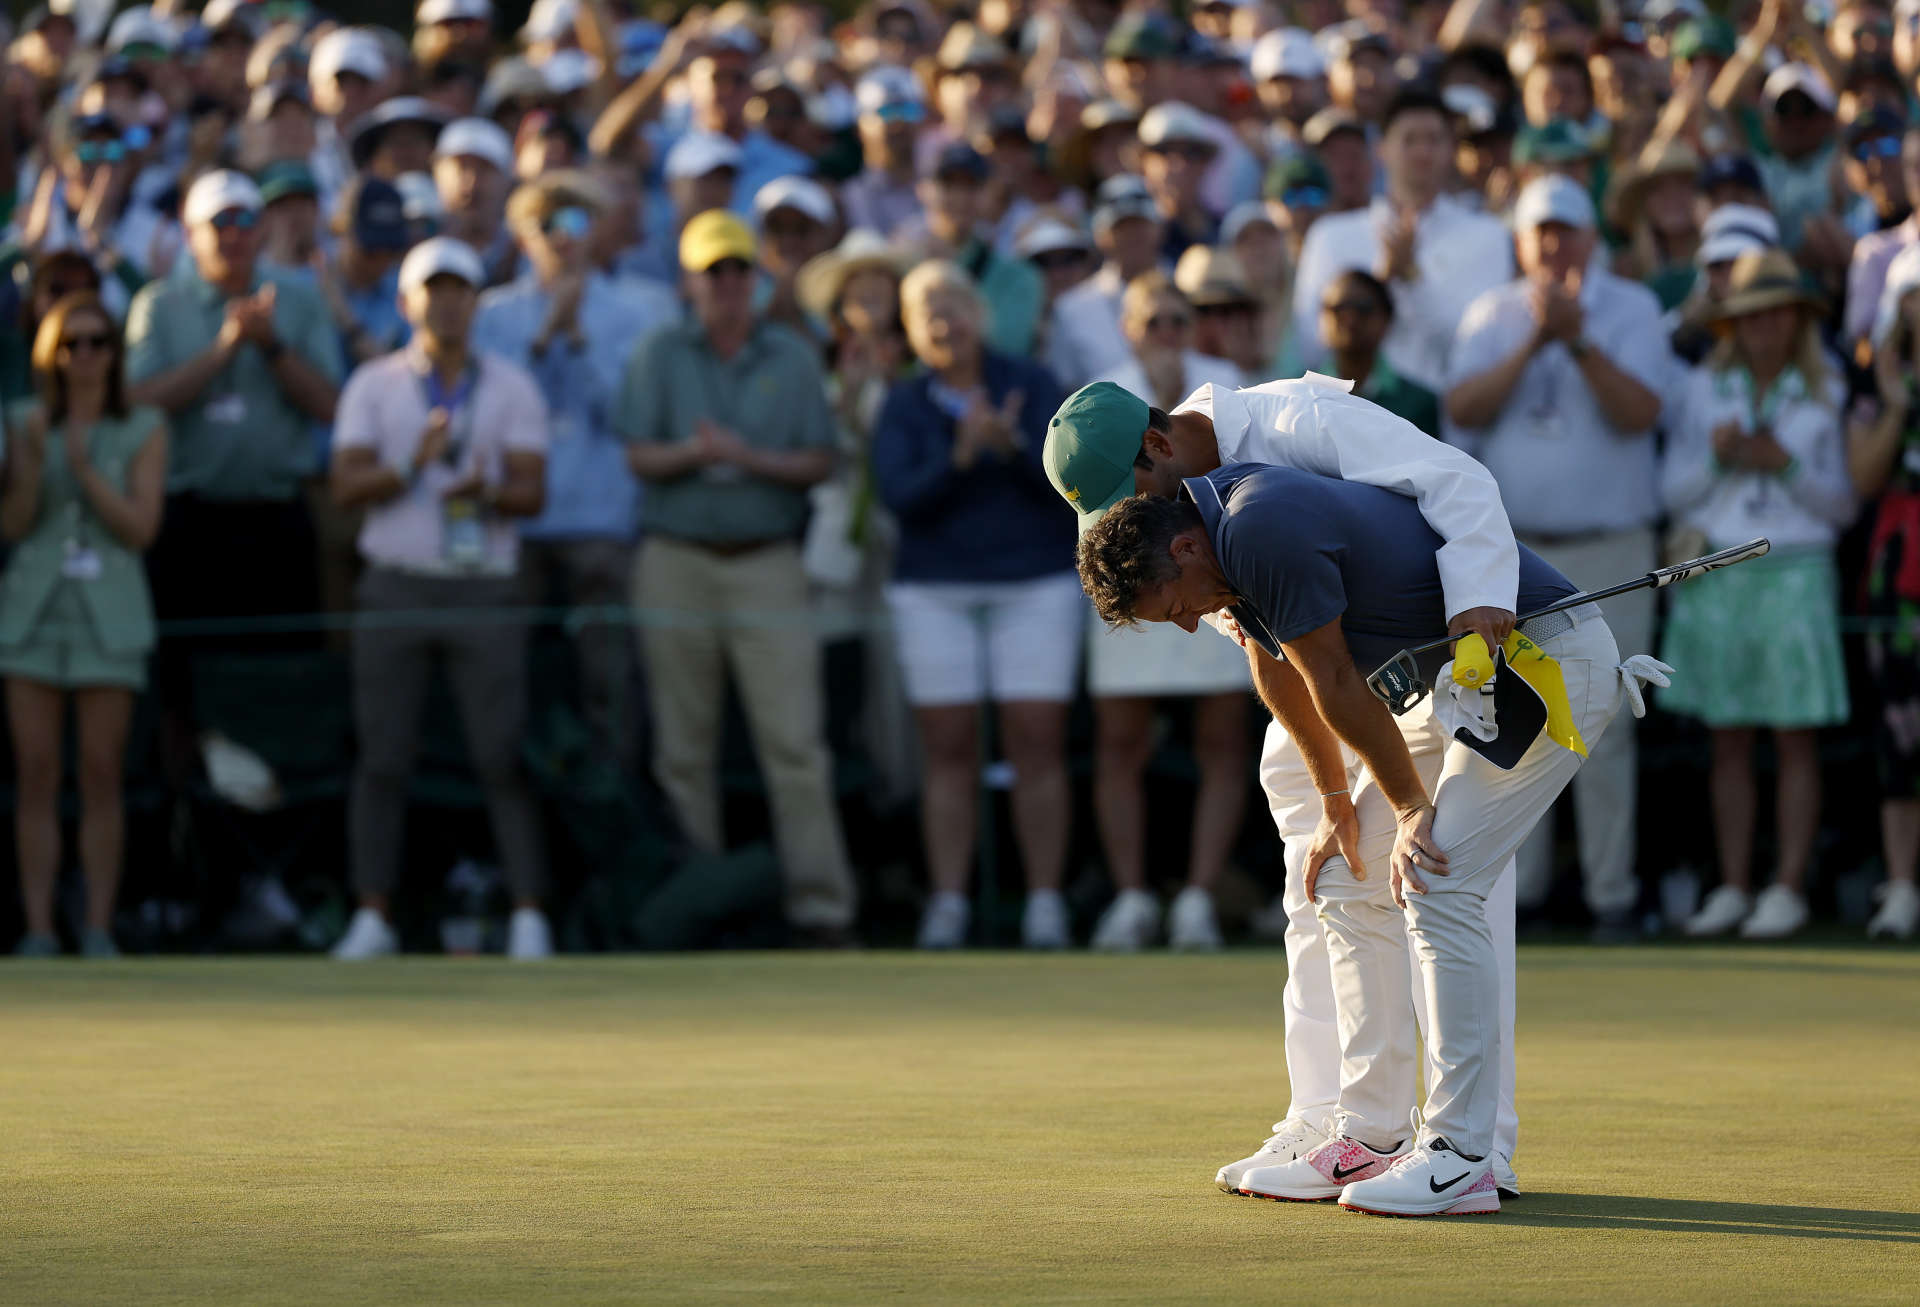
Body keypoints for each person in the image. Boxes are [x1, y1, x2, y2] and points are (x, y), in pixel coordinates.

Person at [1073, 457, 1623, 1217]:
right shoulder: (1227, 550)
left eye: (1172, 607)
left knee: (1439, 876)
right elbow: (1282, 673)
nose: (1188, 620)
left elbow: (1333, 679)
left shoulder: (1260, 526)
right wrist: (1340, 802)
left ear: (1184, 551)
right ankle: (1371, 1136)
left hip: (1544, 660)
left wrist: (1407, 809)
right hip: (1457, 682)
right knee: (1346, 875)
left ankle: (1465, 1155)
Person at [1042, 372, 1528, 1200]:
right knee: (1321, 876)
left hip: (1445, 661)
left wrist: (1479, 602)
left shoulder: (1298, 419)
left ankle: (1478, 1142)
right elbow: (1273, 653)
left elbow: (1459, 480)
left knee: (1448, 884)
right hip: (1337, 679)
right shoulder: (1180, 518)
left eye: (1126, 498)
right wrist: (1335, 794)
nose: (1125, 525)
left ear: (1159, 447)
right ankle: (1339, 1119)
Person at [617, 210, 859, 948]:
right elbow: (638, 453)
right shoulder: (661, 350)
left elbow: (819, 459)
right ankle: (701, 903)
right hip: (676, 558)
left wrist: (746, 459)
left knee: (794, 746)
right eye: (713, 271)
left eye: (738, 270)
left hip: (765, 559)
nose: (727, 283)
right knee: (682, 751)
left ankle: (822, 909)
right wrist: (697, 455)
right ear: (690, 280)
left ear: (755, 278)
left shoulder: (788, 355)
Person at [1444, 176, 1671, 939]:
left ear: (1591, 239)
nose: (1552, 244)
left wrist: (1575, 340)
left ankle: (1610, 895)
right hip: (1516, 552)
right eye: (1540, 231)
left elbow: (1640, 413)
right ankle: (1521, 897)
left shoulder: (1632, 309)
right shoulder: (1491, 313)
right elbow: (1463, 411)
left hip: (1612, 546)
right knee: (1518, 721)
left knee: (1606, 724)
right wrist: (1535, 340)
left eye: (1566, 230)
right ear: (1520, 240)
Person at [327, 237, 553, 962]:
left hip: (484, 587)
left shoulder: (511, 384)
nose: (447, 302)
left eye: (460, 288)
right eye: (433, 289)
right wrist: (409, 464)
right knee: (383, 755)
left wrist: (486, 490)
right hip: (395, 584)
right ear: (407, 302)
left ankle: (528, 913)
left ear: (475, 301)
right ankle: (372, 915)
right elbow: (348, 486)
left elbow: (532, 490)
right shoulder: (373, 385)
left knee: (501, 754)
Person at [871, 261, 1075, 949]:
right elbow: (899, 497)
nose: (943, 320)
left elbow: (1068, 484)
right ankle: (949, 903)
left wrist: (1012, 447)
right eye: (926, 307)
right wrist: (959, 457)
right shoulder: (904, 402)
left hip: (1034, 583)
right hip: (934, 589)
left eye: (953, 302)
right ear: (910, 326)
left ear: (978, 312)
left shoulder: (1030, 382)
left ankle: (1045, 903)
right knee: (948, 748)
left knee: (1035, 742)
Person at [1662, 250, 1853, 941]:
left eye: (1776, 310)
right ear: (1732, 322)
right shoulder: (1703, 389)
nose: (1765, 324)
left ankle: (1788, 886)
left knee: (1795, 737)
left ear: (1797, 316)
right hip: (1720, 571)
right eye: (1750, 313)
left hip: (1797, 570)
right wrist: (1719, 458)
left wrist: (1787, 466)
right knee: (1728, 739)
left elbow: (1842, 505)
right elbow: (1671, 492)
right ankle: (1736, 885)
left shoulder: (1828, 385)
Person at [123, 171, 341, 771]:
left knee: (285, 684)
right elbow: (137, 402)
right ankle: (195, 840)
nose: (235, 235)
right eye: (219, 222)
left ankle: (283, 841)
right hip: (191, 526)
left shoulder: (298, 299)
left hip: (277, 522)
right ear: (191, 233)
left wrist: (270, 347)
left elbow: (331, 405)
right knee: (185, 691)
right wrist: (224, 349)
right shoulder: (158, 304)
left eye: (246, 220)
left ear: (263, 228)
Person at [474, 170, 680, 773]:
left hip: (602, 525)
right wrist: (543, 339)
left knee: (610, 685)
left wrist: (580, 339)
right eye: (547, 225)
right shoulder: (493, 315)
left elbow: (628, 417)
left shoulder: (636, 313)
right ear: (521, 235)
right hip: (514, 526)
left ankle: (614, 818)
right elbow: (494, 419)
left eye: (577, 223)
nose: (563, 238)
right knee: (505, 685)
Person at [1083, 272, 1247, 951]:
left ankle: (1198, 901)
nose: (1169, 335)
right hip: (1130, 574)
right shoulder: (1101, 390)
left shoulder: (1221, 379)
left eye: (1180, 321)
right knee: (1120, 746)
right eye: (1156, 322)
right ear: (1129, 328)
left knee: (1223, 743)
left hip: (1206, 568)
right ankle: (1132, 900)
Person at [1, 294, 166, 958]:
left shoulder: (145, 424)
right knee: (36, 771)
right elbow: (12, 525)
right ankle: (40, 927)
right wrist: (39, 461)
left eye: (99, 342)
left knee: (101, 771)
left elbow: (139, 528)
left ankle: (97, 924)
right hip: (32, 613)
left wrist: (88, 469)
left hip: (111, 613)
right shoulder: (22, 421)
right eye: (72, 344)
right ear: (50, 354)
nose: (87, 356)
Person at [1292, 88, 1515, 389]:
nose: (1422, 152)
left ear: (1452, 150)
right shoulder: (1329, 235)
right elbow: (1311, 347)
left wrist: (1412, 277)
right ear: (1381, 149)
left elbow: (1481, 349)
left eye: (1434, 140)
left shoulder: (1489, 236)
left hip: (1440, 425)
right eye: (1409, 139)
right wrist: (1381, 280)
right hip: (1349, 420)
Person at [1852, 246, 1920, 940]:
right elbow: (1864, 478)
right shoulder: (1876, 388)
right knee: (1900, 736)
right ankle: (1902, 886)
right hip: (1900, 577)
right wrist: (1899, 402)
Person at [1318, 270, 1439, 436]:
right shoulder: (1296, 393)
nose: (1350, 319)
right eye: (1338, 308)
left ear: (1387, 319)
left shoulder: (1419, 404)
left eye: (1363, 309)